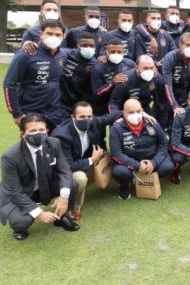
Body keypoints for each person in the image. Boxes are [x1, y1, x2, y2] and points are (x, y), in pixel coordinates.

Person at [0, 113, 80, 241]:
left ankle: (61, 218)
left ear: (47, 131)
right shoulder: (10, 157)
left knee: (72, 185)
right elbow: (13, 191)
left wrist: (64, 197)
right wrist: (39, 213)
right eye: (33, 131)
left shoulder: (54, 143)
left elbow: (64, 170)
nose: (38, 133)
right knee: (21, 222)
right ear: (22, 134)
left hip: (44, 186)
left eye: (41, 130)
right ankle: (19, 229)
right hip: (21, 193)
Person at [51, 101, 121, 220]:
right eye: (82, 117)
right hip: (60, 174)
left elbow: (109, 117)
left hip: (81, 161)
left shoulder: (93, 122)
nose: (86, 120)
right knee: (80, 178)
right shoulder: (62, 136)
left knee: (108, 156)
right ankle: (72, 206)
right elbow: (67, 167)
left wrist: (132, 113)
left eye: (89, 116)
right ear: (73, 117)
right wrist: (92, 159)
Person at [4, 20, 68, 128]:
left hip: (56, 113)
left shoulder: (63, 55)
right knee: (34, 144)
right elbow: (9, 84)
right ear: (41, 34)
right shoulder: (26, 54)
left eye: (58, 35)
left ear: (63, 37)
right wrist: (17, 114)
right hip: (31, 113)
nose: (54, 37)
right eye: (49, 33)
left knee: (55, 144)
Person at [109, 99, 176, 200]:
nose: (135, 114)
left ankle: (150, 179)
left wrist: (154, 162)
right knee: (120, 172)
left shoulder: (152, 122)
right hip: (129, 162)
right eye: (131, 112)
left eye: (138, 111)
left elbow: (163, 144)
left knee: (168, 167)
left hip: (151, 157)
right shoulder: (116, 128)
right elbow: (116, 154)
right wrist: (137, 165)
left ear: (142, 111)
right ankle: (125, 186)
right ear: (124, 113)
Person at [108, 55, 181, 129]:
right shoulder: (124, 79)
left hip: (145, 108)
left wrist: (174, 108)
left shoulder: (156, 77)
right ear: (137, 68)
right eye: (145, 68)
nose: (149, 71)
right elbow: (113, 103)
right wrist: (117, 117)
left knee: (154, 129)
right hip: (125, 111)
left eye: (151, 68)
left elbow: (164, 99)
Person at [90, 38, 135, 116]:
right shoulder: (97, 68)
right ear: (107, 52)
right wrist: (112, 83)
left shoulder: (130, 64)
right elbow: (96, 93)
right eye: (113, 52)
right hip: (102, 105)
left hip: (124, 103)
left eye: (119, 52)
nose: (116, 54)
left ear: (123, 52)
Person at [59, 32, 98, 118]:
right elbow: (51, 50)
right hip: (60, 101)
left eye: (91, 46)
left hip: (79, 103)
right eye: (84, 45)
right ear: (78, 46)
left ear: (95, 47)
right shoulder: (67, 54)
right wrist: (27, 43)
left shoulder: (95, 65)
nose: (88, 48)